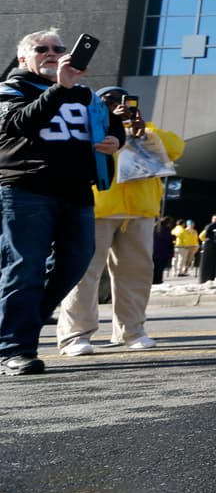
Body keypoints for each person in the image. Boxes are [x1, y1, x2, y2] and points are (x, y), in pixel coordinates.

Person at [0, 28, 124, 376]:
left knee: (75, 261)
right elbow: (18, 124)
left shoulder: (85, 94)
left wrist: (116, 138)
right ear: (24, 57)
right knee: (25, 267)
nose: (52, 53)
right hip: (25, 188)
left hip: (76, 191)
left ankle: (15, 325)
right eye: (42, 49)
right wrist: (61, 88)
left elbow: (112, 122)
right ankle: (16, 347)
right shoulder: (11, 88)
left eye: (59, 48)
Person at [56, 87, 185, 354]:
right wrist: (110, 126)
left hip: (139, 212)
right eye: (109, 101)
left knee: (135, 274)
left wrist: (142, 129)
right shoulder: (87, 128)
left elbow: (176, 148)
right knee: (84, 273)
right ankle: (75, 336)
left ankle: (131, 331)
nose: (118, 105)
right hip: (96, 209)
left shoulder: (147, 129)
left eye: (124, 100)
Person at [153, 216, 176, 284]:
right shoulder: (165, 229)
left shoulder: (155, 227)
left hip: (155, 251)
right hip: (163, 251)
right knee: (160, 267)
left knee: (155, 266)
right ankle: (158, 279)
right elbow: (167, 238)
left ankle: (154, 279)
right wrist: (173, 237)